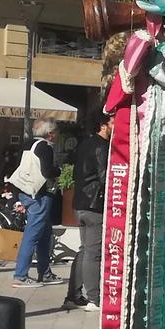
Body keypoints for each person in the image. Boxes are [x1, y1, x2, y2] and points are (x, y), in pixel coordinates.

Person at [62, 112, 111, 310]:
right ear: (103, 124)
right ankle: (94, 298)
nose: (116, 123)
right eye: (113, 120)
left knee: (84, 251)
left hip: (80, 203)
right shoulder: (101, 146)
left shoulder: (85, 144)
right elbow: (104, 177)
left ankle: (73, 295)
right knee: (93, 253)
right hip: (94, 205)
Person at [9, 120, 62, 286]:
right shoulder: (45, 147)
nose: (57, 135)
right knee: (32, 235)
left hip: (25, 191)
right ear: (50, 133)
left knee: (44, 235)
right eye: (56, 132)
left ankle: (45, 272)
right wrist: (59, 170)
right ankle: (20, 275)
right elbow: (47, 171)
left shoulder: (27, 144)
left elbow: (18, 166)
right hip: (39, 194)